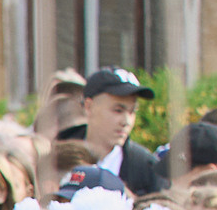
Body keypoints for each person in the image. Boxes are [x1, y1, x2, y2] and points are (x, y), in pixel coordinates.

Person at [66, 67, 167, 196]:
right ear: (88, 107)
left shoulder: (147, 169)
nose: (126, 121)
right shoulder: (57, 157)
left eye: (132, 112)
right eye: (118, 110)